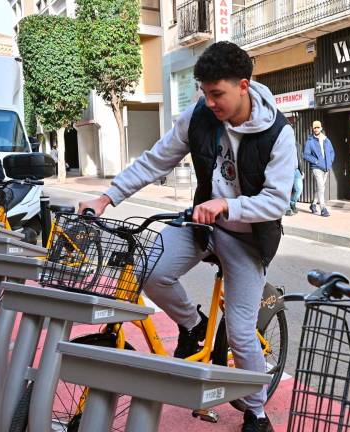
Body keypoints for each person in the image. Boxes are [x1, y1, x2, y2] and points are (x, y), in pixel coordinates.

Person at [77, 41, 295, 432]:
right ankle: (194, 324)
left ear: (243, 86)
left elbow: (277, 202)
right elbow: (156, 159)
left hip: (247, 238)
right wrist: (107, 196)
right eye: (204, 93)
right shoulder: (198, 116)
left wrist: (230, 206)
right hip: (202, 227)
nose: (210, 102)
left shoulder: (278, 133)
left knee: (242, 331)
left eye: (217, 94)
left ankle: (257, 412)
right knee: (149, 270)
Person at [302, 120, 334, 217]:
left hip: (326, 168)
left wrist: (330, 162)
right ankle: (323, 208)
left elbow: (332, 152)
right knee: (321, 187)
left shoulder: (326, 140)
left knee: (321, 187)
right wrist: (316, 161)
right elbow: (306, 155)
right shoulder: (310, 141)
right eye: (314, 127)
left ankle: (313, 204)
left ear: (321, 128)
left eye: (318, 127)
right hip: (316, 168)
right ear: (313, 129)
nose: (316, 129)